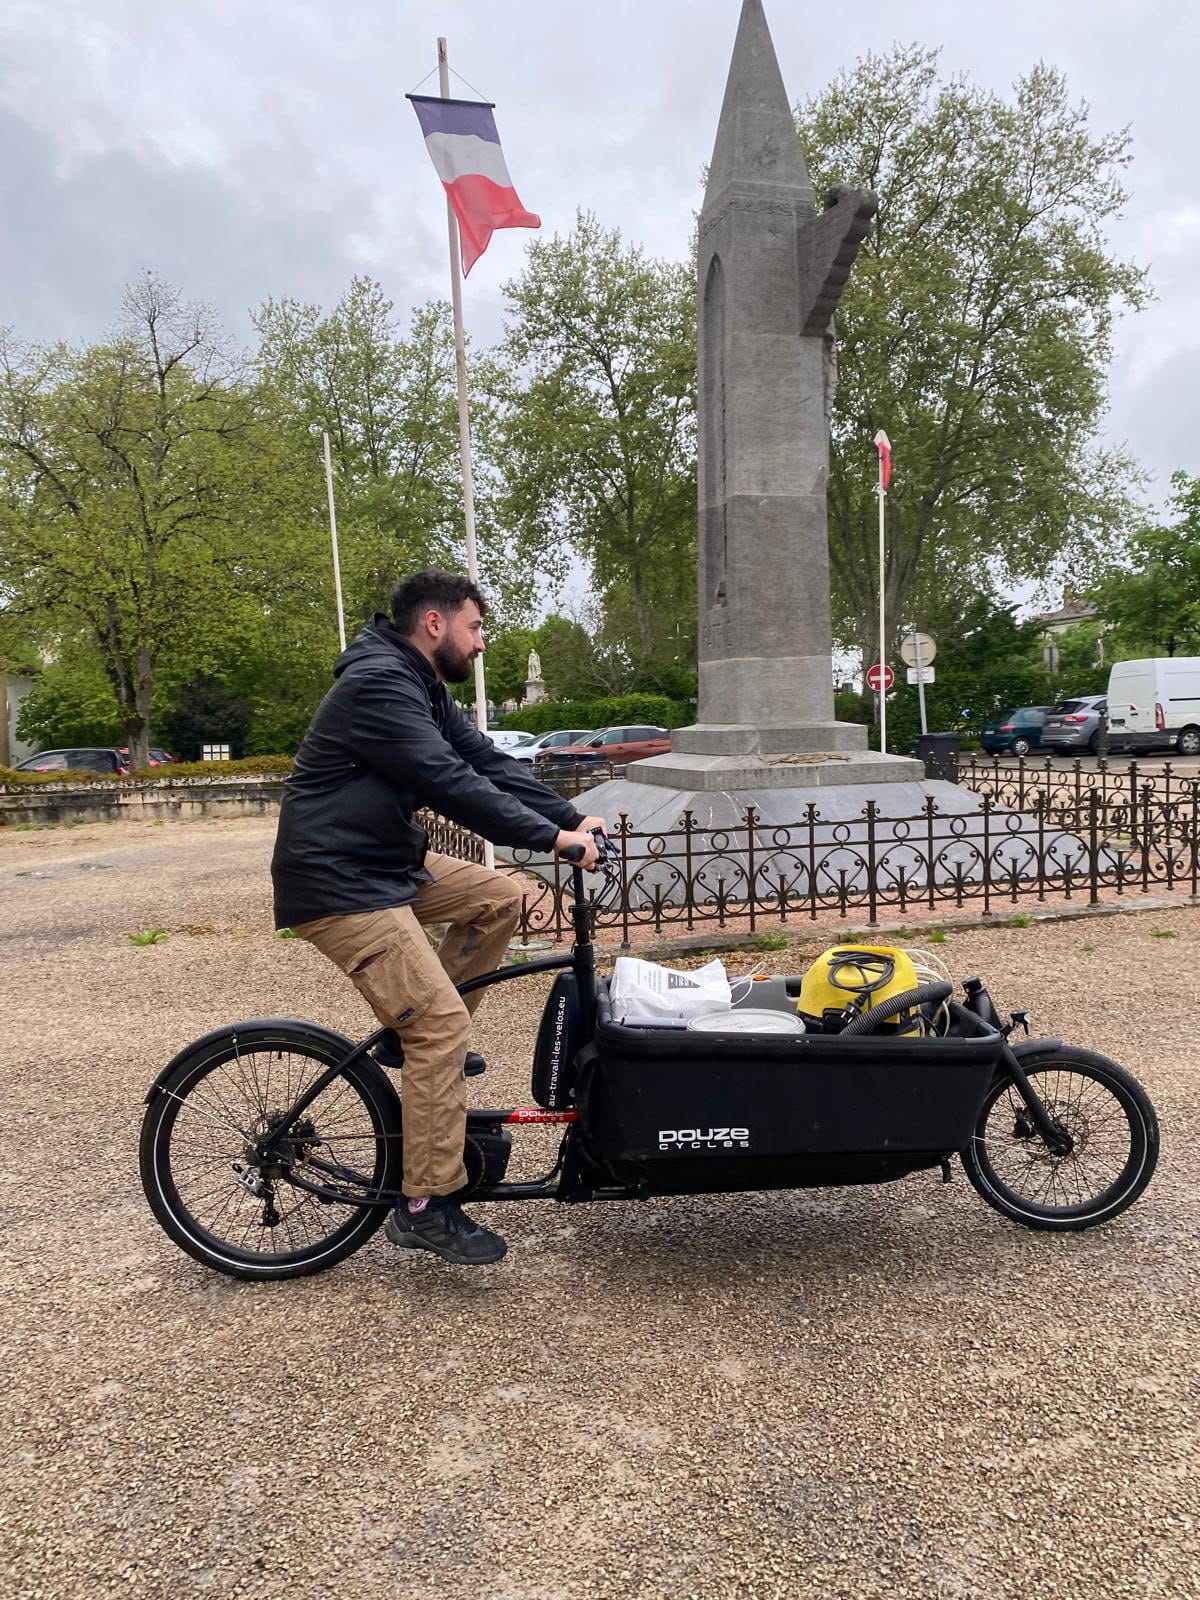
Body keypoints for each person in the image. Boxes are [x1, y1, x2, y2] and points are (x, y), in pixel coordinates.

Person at [271, 570, 606, 1267]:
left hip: (383, 865)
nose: (481, 643)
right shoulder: (378, 686)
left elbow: (480, 758)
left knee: (501, 896)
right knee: (442, 1028)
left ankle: (406, 1040)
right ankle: (424, 1204)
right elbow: (447, 782)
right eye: (475, 627)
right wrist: (552, 841)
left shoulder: (417, 682)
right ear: (434, 623)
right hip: (339, 885)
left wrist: (569, 816)